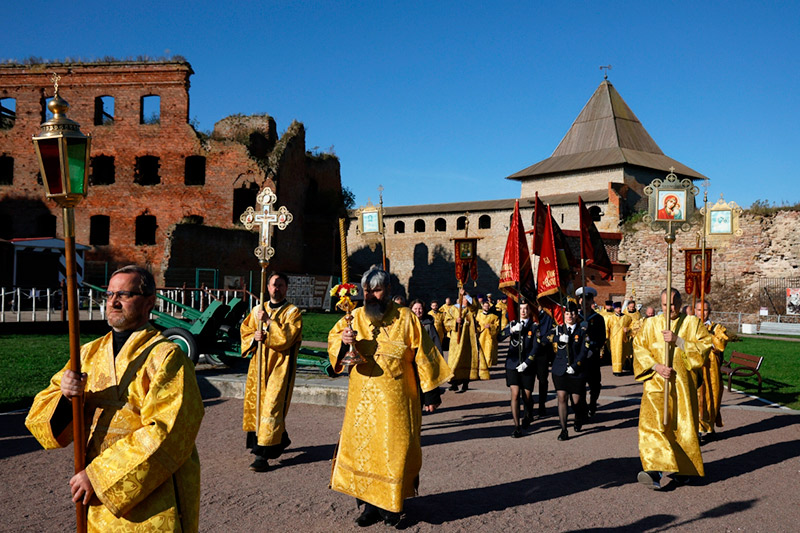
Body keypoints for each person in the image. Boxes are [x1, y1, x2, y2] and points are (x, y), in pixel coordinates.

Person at [25, 265, 204, 531]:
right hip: (95, 495)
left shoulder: (168, 356)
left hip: (150, 493)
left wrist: (100, 476)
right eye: (109, 294)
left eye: (124, 295)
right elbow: (40, 416)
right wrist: (66, 396)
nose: (113, 302)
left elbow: (168, 430)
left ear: (149, 302)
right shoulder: (87, 353)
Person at [328, 266, 451, 527]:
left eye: (377, 290)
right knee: (364, 450)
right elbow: (335, 342)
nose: (371, 295)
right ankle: (368, 506)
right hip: (362, 399)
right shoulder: (355, 316)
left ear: (388, 290)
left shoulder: (406, 317)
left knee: (394, 450)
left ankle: (392, 505)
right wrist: (343, 341)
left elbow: (424, 354)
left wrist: (430, 393)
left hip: (397, 398)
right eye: (367, 290)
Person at [634, 289, 712, 490]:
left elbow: (704, 347)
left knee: (681, 427)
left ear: (680, 303)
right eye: (664, 304)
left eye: (672, 304)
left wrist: (678, 341)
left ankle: (684, 469)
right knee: (652, 424)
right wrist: (656, 366)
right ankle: (654, 470)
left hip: (682, 386)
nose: (669, 308)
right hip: (656, 384)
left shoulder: (692, 323)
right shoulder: (650, 324)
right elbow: (639, 347)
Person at [240, 272, 303, 472]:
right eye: (274, 285)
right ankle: (280, 438)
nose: (277, 288)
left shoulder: (293, 312)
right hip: (259, 366)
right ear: (267, 287)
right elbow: (245, 330)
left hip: (280, 367)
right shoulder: (257, 309)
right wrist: (254, 338)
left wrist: (268, 322)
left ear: (286, 288)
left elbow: (287, 338)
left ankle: (262, 456)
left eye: (281, 285)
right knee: (258, 405)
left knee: (271, 406)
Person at [549, 301, 590, 441]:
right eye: (567, 313)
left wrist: (575, 366)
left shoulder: (582, 331)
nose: (569, 316)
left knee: (576, 402)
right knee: (562, 398)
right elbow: (544, 338)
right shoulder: (559, 329)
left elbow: (584, 351)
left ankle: (578, 418)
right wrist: (558, 338)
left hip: (576, 370)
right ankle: (563, 429)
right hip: (560, 370)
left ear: (576, 315)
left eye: (572, 313)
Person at [695, 300, 729, 444]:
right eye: (699, 310)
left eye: (705, 310)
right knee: (697, 397)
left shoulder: (717, 328)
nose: (702, 313)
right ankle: (698, 429)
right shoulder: (691, 325)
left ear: (710, 311)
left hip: (711, 368)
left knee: (712, 397)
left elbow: (720, 345)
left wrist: (708, 335)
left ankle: (709, 426)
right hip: (695, 366)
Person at [443, 288, 488, 392]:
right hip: (456, 340)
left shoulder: (470, 309)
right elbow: (446, 322)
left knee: (467, 361)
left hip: (468, 339)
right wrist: (455, 321)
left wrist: (466, 294)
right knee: (454, 361)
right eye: (464, 298)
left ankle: (465, 383)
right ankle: (454, 383)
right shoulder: (453, 309)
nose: (466, 301)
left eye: (467, 299)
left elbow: (475, 306)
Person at [576, 286, 606, 418]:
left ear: (592, 301)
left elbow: (602, 338)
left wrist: (593, 349)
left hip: (592, 356)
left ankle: (593, 403)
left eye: (588, 300)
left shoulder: (598, 318)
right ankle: (582, 408)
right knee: (580, 384)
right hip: (579, 357)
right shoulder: (576, 317)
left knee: (595, 384)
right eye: (583, 300)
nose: (585, 303)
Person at [607, 302, 634, 376]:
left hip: (623, 339)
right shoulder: (611, 318)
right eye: (617, 308)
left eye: (619, 308)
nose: (618, 309)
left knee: (622, 354)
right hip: (614, 340)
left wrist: (628, 329)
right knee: (615, 355)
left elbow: (632, 326)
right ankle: (616, 370)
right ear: (614, 309)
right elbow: (607, 328)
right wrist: (607, 337)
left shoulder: (627, 318)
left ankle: (621, 368)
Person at [476, 299, 501, 366]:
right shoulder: (478, 316)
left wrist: (491, 326)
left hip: (490, 337)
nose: (486, 307)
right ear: (482, 307)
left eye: (487, 306)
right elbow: (476, 324)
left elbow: (497, 326)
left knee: (489, 350)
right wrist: (480, 328)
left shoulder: (494, 316)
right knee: (481, 350)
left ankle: (487, 365)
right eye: (485, 306)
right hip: (481, 336)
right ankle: (481, 364)